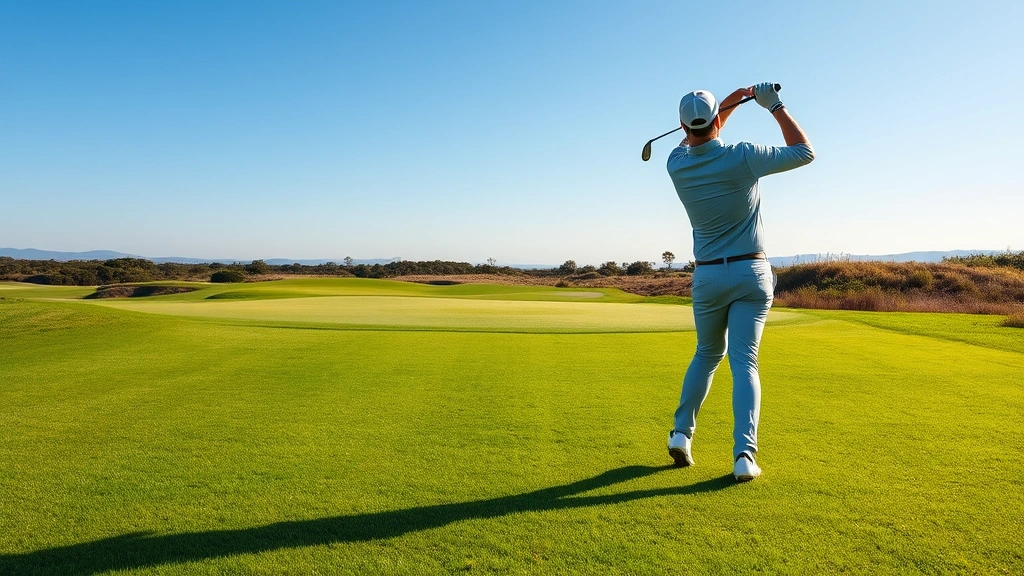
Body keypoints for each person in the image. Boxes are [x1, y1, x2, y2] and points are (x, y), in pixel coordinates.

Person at [665, 82, 814, 482]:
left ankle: (681, 434)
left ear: (682, 127)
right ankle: (744, 456)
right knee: (744, 362)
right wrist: (772, 105)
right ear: (717, 120)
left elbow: (704, 133)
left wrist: (732, 100)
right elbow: (804, 152)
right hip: (751, 272)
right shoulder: (743, 156)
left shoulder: (676, 163)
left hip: (709, 275)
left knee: (706, 354)